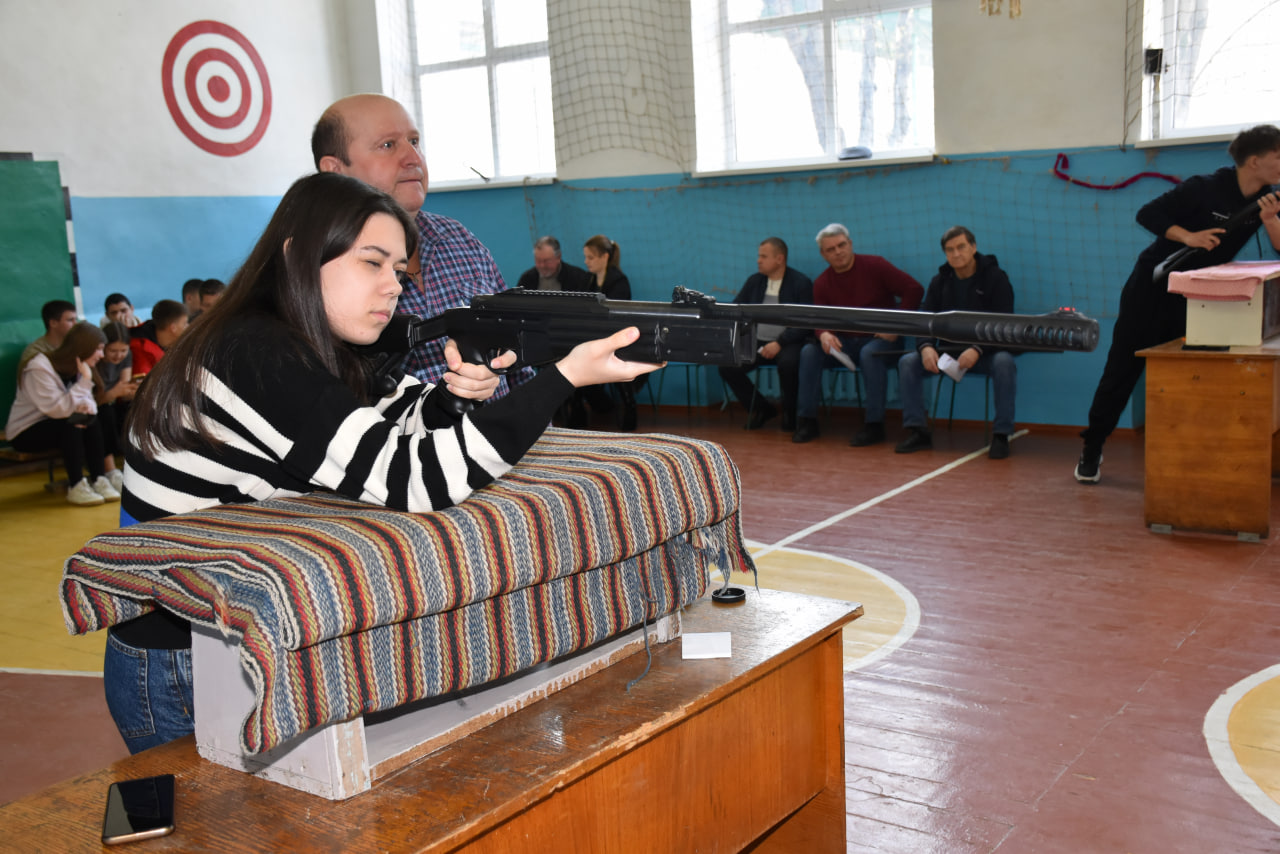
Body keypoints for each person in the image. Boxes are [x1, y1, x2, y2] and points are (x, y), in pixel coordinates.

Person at [107, 172, 660, 753]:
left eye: (398, 270)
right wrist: (562, 378)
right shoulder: (253, 353)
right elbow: (416, 479)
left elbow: (395, 417)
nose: (393, 286)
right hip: (184, 661)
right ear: (298, 256)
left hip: (232, 634)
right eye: (371, 263)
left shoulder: (311, 339)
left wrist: (453, 397)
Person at [1076, 125, 1280, 484]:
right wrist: (1190, 237)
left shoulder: (1268, 198)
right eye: (1278, 156)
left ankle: (1191, 454)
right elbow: (1147, 214)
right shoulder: (1204, 187)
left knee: (1194, 374)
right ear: (1254, 161)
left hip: (1199, 298)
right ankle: (1092, 448)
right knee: (1123, 369)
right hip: (1151, 289)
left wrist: (1269, 220)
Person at [312, 93, 531, 398]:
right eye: (388, 145)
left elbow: (515, 357)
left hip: (502, 426)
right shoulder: (316, 266)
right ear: (335, 170)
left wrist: (534, 422)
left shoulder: (460, 240)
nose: (413, 158)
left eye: (414, 141)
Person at [793, 223, 923, 444]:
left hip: (879, 340)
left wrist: (896, 326)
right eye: (831, 249)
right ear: (823, 254)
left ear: (850, 244)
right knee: (809, 352)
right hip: (844, 343)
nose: (838, 252)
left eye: (841, 245)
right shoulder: (822, 282)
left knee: (870, 354)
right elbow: (819, 318)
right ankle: (807, 421)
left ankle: (874, 425)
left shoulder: (876, 265)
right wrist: (823, 334)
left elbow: (914, 290)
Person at [897, 227, 1017, 457]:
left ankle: (1002, 435)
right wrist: (925, 347)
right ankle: (918, 431)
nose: (956, 254)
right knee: (908, 362)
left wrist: (977, 349)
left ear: (973, 247)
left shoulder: (996, 278)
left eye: (961, 247)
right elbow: (925, 319)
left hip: (988, 353)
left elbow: (1004, 324)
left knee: (1004, 362)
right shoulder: (939, 281)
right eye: (950, 250)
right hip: (948, 353)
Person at [6, 321, 121, 506]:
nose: (101, 355)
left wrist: (85, 403)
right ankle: (76, 486)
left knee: (91, 418)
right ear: (83, 347)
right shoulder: (39, 367)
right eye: (99, 349)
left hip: (58, 423)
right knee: (73, 423)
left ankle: (99, 479)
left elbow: (89, 407)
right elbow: (58, 409)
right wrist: (85, 382)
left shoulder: (79, 367)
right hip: (25, 431)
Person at [717, 237, 814, 431]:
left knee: (789, 364)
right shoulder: (755, 281)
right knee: (728, 366)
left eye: (763, 256)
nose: (758, 260)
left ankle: (790, 414)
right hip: (758, 341)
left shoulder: (801, 283)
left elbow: (805, 322)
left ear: (779, 259)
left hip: (788, 342)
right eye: (759, 256)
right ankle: (762, 409)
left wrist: (779, 343)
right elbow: (738, 309)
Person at [578, 234, 639, 430]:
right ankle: (590, 410)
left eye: (590, 257)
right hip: (594, 338)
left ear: (604, 257)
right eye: (586, 257)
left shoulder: (619, 280)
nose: (586, 262)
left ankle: (630, 408)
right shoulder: (588, 279)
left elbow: (614, 315)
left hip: (618, 339)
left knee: (619, 362)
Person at [96, 321, 140, 451]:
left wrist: (135, 390)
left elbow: (124, 386)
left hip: (114, 402)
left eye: (123, 350)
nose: (118, 355)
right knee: (106, 411)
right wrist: (114, 393)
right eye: (113, 351)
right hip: (98, 405)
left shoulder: (127, 356)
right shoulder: (96, 360)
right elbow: (94, 401)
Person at [128, 299, 188, 376]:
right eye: (184, 324)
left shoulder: (172, 345)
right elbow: (144, 381)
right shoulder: (140, 349)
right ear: (173, 328)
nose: (188, 327)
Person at [517, 236, 594, 292]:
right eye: (538, 261)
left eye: (546, 261)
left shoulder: (579, 278)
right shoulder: (527, 279)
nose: (542, 265)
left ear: (558, 257)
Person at [19, 299, 77, 372]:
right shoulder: (35, 353)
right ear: (53, 323)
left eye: (75, 319)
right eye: (70, 320)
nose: (76, 324)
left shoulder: (74, 345)